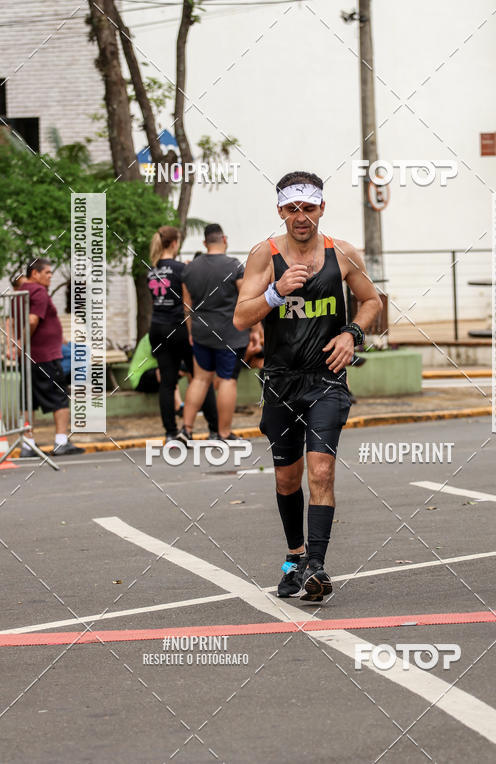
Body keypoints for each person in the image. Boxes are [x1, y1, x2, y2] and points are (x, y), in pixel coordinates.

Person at [233, 172, 381, 601]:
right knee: (286, 479)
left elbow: (372, 300)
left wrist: (352, 332)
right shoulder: (265, 255)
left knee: (321, 470)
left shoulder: (343, 254)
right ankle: (294, 557)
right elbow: (242, 318)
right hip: (280, 381)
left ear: (321, 208)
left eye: (309, 208)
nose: (301, 217)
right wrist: (276, 294)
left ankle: (316, 566)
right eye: (293, 209)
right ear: (280, 210)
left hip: (326, 381)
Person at [180, 223, 249, 442]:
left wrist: (191, 331)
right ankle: (223, 432)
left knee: (200, 380)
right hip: (230, 333)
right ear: (224, 239)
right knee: (227, 380)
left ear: (204, 242)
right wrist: (256, 329)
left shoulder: (190, 268)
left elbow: (187, 306)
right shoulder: (234, 265)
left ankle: (186, 429)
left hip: (201, 332)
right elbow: (245, 299)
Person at [147, 225, 212, 444]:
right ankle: (214, 427)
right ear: (175, 243)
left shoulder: (151, 269)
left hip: (157, 326)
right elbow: (188, 302)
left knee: (167, 382)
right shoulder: (181, 269)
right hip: (179, 327)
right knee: (201, 377)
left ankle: (170, 432)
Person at [21, 258, 83, 456]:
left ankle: (27, 444)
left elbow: (14, 319)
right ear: (35, 273)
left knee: (28, 401)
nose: (50, 276)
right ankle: (61, 441)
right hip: (45, 357)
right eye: (47, 273)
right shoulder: (38, 291)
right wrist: (24, 341)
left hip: (33, 357)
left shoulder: (22, 292)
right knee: (60, 398)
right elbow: (32, 320)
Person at [127, 333, 218, 437]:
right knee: (168, 373)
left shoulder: (161, 329)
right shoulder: (152, 337)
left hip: (159, 372)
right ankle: (179, 408)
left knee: (182, 372)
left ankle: (193, 405)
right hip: (139, 378)